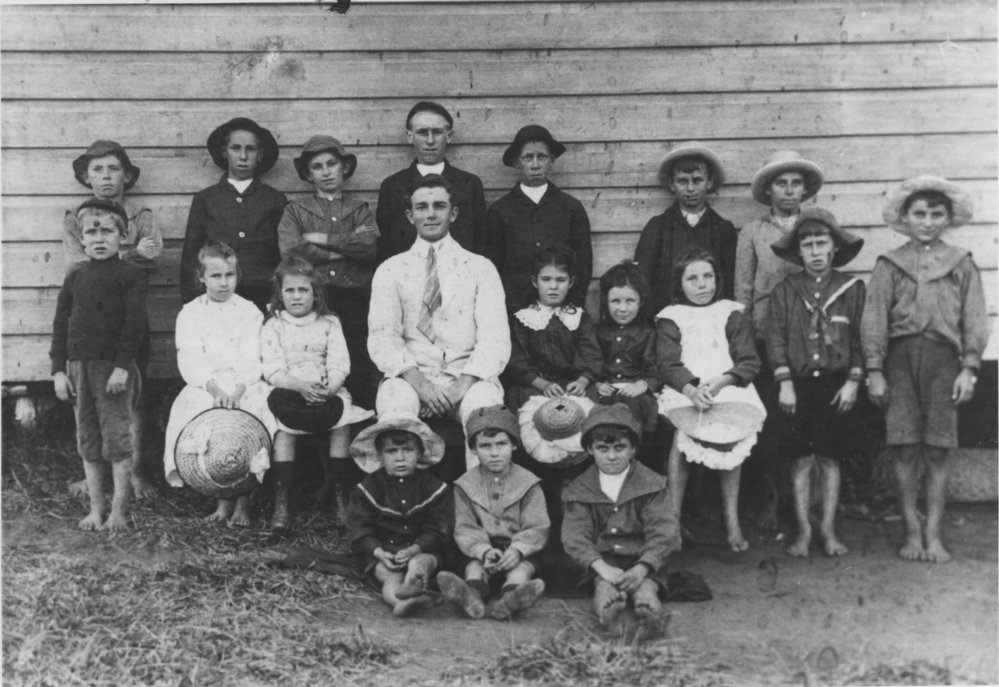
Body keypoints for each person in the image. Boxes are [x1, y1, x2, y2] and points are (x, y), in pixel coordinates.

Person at [862, 176, 988, 563]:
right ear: (906, 218)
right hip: (899, 363)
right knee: (905, 449)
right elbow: (874, 318)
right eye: (920, 213)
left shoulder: (961, 263)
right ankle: (911, 531)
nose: (928, 221)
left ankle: (933, 534)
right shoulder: (890, 265)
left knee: (937, 451)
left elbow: (975, 319)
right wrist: (874, 369)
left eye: (936, 214)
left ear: (948, 218)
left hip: (944, 364)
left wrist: (969, 368)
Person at [368, 174, 510, 472]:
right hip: (412, 375)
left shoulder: (480, 267)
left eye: (439, 206)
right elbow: (384, 339)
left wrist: (461, 386)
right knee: (395, 410)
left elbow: (495, 339)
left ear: (453, 212)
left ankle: (482, 503)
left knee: (485, 415)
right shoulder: (391, 269)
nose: (430, 214)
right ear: (410, 215)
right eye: (421, 207)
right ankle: (403, 503)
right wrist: (421, 385)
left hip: (467, 375)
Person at [62, 139, 163, 500]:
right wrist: (131, 251)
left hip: (130, 320)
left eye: (113, 169)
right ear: (86, 177)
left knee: (132, 398)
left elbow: (153, 257)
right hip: (88, 324)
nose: (106, 177)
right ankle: (94, 477)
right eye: (98, 170)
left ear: (127, 175)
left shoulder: (141, 215)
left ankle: (134, 473)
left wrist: (124, 256)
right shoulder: (77, 218)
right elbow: (76, 263)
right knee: (89, 401)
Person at [765, 208, 866, 557]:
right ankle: (804, 530)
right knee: (801, 460)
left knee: (829, 459)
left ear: (834, 247)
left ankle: (828, 528)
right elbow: (775, 339)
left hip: (837, 386)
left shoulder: (852, 288)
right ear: (799, 252)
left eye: (822, 242)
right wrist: (785, 382)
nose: (815, 251)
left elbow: (860, 341)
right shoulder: (786, 290)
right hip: (798, 385)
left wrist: (853, 382)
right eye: (807, 244)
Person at [735, 150, 824, 528]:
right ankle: (769, 500)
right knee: (770, 422)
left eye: (796, 184)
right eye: (781, 184)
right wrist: (742, 341)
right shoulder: (753, 233)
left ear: (805, 189)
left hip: (811, 337)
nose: (789, 191)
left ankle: (808, 505)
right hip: (765, 337)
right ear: (768, 190)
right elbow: (743, 289)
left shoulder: (818, 226)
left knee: (807, 421)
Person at [162, 242, 277, 526]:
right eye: (215, 276)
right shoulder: (190, 313)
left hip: (244, 382)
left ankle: (243, 502)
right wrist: (215, 390)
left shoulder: (249, 311)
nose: (224, 283)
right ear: (201, 278)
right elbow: (191, 358)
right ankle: (220, 498)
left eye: (230, 275)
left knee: (254, 413)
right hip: (207, 383)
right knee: (204, 414)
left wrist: (238, 390)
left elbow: (252, 356)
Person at [656, 247, 763, 552]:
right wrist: (691, 390)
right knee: (681, 437)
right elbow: (668, 363)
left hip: (726, 384)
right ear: (680, 284)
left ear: (717, 279)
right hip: (685, 389)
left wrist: (722, 383)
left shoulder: (730, 312)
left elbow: (748, 360)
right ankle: (673, 521)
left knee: (733, 436)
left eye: (708, 276)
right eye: (692, 278)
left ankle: (732, 520)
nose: (702, 285)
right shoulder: (671, 317)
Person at [50, 198, 147, 531]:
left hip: (112, 370)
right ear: (82, 239)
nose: (100, 238)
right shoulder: (75, 276)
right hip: (79, 369)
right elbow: (61, 324)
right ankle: (95, 509)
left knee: (117, 438)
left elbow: (135, 323)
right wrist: (59, 370)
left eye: (108, 231)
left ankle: (119, 511)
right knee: (87, 440)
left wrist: (122, 366)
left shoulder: (130, 273)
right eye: (92, 231)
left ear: (122, 236)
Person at [261, 257, 373, 531]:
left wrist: (329, 390)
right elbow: (273, 370)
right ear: (280, 293)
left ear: (315, 293)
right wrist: (299, 386)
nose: (297, 296)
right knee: (283, 429)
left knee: (341, 423)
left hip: (325, 391)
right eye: (290, 290)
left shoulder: (329, 323)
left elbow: (339, 364)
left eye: (304, 290)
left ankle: (338, 493)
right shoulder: (274, 326)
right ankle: (282, 498)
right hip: (289, 391)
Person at [561, 404, 680, 638]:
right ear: (590, 449)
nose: (612, 456)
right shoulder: (580, 489)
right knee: (603, 586)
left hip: (643, 556)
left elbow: (665, 532)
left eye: (620, 447)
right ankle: (607, 609)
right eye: (603, 448)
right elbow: (574, 535)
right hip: (602, 560)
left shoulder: (651, 484)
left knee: (647, 585)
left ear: (633, 449)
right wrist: (601, 567)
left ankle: (648, 606)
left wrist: (642, 568)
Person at [277, 135, 379, 408]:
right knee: (319, 361)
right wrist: (345, 247)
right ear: (308, 175)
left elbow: (369, 245)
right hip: (317, 301)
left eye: (331, 164)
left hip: (355, 299)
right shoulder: (295, 211)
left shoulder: (360, 210)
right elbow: (291, 251)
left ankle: (359, 423)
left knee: (356, 361)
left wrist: (319, 239)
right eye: (317, 167)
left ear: (344, 167)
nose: (326, 172)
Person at [437, 405, 549, 620]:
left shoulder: (529, 483)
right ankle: (472, 597)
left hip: (519, 550)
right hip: (480, 550)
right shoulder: (465, 485)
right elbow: (465, 527)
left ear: (514, 445)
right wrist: (484, 551)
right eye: (485, 446)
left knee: (521, 571)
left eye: (501, 444)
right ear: (473, 449)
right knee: (474, 568)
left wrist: (517, 550)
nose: (494, 453)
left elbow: (537, 526)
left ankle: (510, 599)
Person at [347, 415, 451, 617]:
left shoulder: (433, 487)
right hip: (385, 553)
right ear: (380, 454)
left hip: (421, 549)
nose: (400, 458)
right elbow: (359, 530)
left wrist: (414, 550)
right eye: (391, 451)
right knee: (389, 576)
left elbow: (439, 528)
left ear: (420, 452)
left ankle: (415, 579)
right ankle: (401, 601)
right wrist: (379, 553)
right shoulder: (369, 488)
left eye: (408, 450)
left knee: (420, 563)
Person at [180, 117, 287, 312]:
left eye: (251, 149)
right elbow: (191, 254)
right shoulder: (206, 198)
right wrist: (192, 301)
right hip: (217, 297)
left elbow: (284, 253)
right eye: (235, 148)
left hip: (263, 295)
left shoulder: (274, 199)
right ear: (224, 152)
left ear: (260, 154)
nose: (243, 156)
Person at [484, 125, 592, 312]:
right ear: (516, 163)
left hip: (562, 310)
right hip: (514, 310)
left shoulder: (570, 208)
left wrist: (572, 304)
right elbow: (491, 266)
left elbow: (583, 262)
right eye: (527, 158)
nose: (535, 165)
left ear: (551, 161)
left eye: (541, 157)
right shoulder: (500, 211)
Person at [634, 142, 737, 316]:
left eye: (697, 180)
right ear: (672, 184)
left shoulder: (723, 230)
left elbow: (730, 283)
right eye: (683, 181)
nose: (690, 189)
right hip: (668, 322)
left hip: (713, 322)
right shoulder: (657, 228)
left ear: (709, 182)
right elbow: (643, 282)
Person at [376, 101, 487, 262]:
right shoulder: (392, 186)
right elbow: (384, 245)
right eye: (422, 132)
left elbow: (481, 243)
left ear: (449, 136)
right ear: (409, 136)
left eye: (437, 132)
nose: (430, 141)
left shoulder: (469, 184)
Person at [505, 245, 602, 412]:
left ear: (571, 282)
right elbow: (517, 361)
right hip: (534, 386)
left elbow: (591, 357)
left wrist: (582, 382)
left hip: (572, 386)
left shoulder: (579, 318)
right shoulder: (523, 319)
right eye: (546, 279)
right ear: (535, 281)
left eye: (561, 280)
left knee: (582, 411)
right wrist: (543, 384)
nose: (553, 287)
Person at [594, 261, 662, 440]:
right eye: (615, 301)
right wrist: (598, 383)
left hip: (636, 392)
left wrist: (642, 385)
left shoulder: (648, 333)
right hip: (606, 391)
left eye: (630, 301)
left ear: (641, 302)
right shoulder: (598, 331)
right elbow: (592, 363)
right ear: (605, 301)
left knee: (629, 409)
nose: (622, 309)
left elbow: (654, 369)